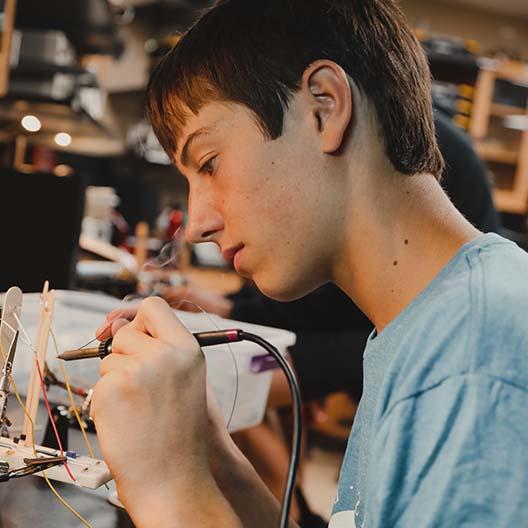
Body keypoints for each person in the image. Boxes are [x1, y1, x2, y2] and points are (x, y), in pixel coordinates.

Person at [92, 2, 528, 527]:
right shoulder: (422, 328)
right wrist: (211, 454)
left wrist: (166, 487)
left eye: (209, 163)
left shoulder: (474, 355)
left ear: (324, 107)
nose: (199, 222)